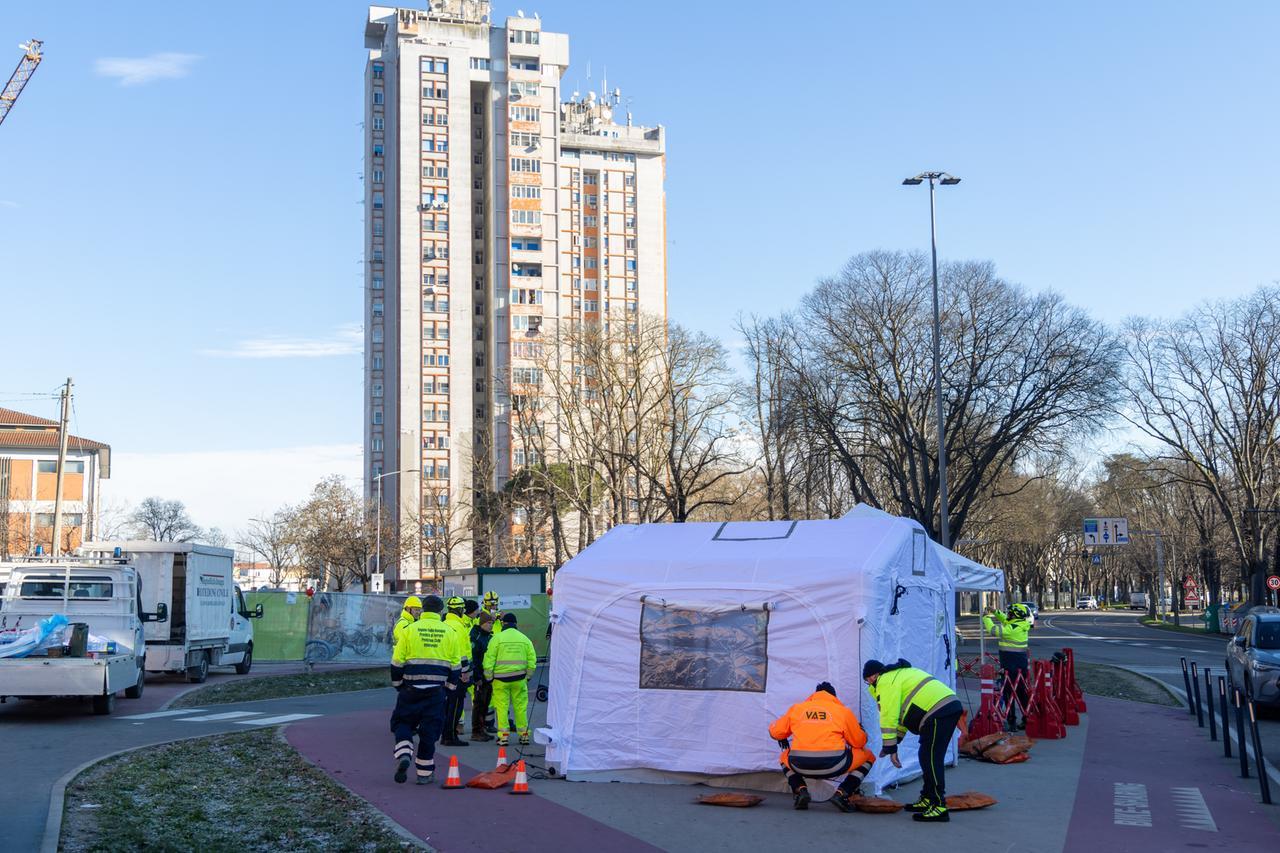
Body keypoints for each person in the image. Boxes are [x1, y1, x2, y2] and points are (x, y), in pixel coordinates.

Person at [863, 658, 964, 823]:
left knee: (931, 758)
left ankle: (938, 806)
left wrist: (890, 748)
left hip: (939, 711)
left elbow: (889, 716)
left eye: (867, 681)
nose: (869, 685)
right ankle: (927, 798)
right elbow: (902, 717)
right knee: (927, 756)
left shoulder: (885, 681)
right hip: (944, 708)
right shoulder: (896, 677)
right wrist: (893, 743)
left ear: (872, 677)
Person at [768, 681, 875, 812]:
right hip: (835, 765)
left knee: (783, 757)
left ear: (814, 694)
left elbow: (775, 732)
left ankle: (800, 790)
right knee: (869, 756)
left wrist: (781, 735)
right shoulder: (843, 712)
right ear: (834, 697)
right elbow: (858, 742)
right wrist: (861, 731)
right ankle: (842, 793)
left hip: (799, 765)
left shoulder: (797, 709)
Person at [390, 595, 463, 785]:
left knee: (402, 722)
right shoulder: (449, 631)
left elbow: (397, 661)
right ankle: (424, 773)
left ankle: (404, 752)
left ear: (422, 610)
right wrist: (449, 689)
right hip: (436, 691)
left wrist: (398, 684)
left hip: (410, 687)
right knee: (429, 732)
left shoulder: (409, 630)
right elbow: (456, 665)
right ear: (440, 612)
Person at [483, 612, 537, 746]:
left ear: (503, 623)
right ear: (516, 624)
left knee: (501, 707)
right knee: (521, 707)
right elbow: (532, 660)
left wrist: (489, 678)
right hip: (519, 679)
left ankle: (503, 737)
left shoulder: (496, 638)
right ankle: (524, 735)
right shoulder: (525, 639)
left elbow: (488, 660)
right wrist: (528, 677)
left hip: (500, 680)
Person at [982, 603, 1032, 730]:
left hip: (1010, 666)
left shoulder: (1012, 628)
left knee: (1009, 694)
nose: (1008, 614)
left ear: (1015, 614)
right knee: (1022, 694)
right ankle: (1027, 719)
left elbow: (993, 630)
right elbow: (1005, 619)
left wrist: (986, 617)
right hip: (1021, 666)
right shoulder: (1019, 625)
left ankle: (1012, 722)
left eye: (1010, 612)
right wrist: (995, 611)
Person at [441, 596, 472, 746]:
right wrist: (465, 672)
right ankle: (450, 736)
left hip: (444, 671)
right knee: (456, 705)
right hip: (458, 672)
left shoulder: (444, 624)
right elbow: (461, 652)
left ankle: (446, 734)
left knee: (448, 705)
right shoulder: (459, 627)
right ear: (460, 610)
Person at [469, 611, 496, 741]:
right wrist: (477, 677)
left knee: (485, 703)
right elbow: (474, 659)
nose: (491, 625)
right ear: (482, 624)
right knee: (479, 703)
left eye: (492, 623)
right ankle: (476, 731)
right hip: (480, 676)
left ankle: (482, 728)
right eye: (489, 623)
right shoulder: (476, 637)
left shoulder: (488, 636)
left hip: (488, 676)